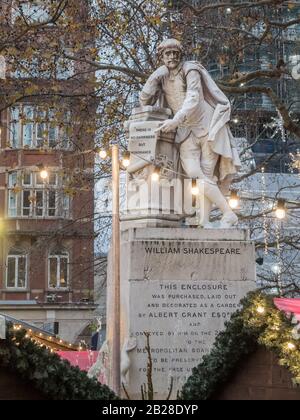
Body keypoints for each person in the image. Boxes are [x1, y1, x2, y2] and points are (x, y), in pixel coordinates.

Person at [139, 38, 241, 228]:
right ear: (161, 57)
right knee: (196, 174)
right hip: (185, 132)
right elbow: (144, 100)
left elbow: (193, 98)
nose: (171, 57)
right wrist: (153, 76)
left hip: (207, 127)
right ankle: (228, 213)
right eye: (166, 54)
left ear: (180, 54)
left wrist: (175, 120)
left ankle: (204, 221)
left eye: (174, 53)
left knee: (206, 177)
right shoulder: (161, 75)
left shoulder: (191, 69)